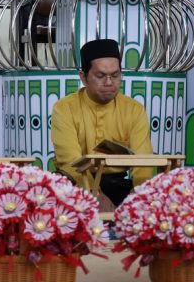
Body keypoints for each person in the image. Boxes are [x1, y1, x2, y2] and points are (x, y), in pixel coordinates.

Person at [50, 38, 153, 209]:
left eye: (115, 75)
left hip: (118, 184)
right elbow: (70, 160)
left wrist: (138, 197)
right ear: (83, 77)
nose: (109, 82)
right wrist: (94, 193)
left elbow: (143, 161)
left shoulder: (134, 109)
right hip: (77, 183)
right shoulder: (64, 108)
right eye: (100, 76)